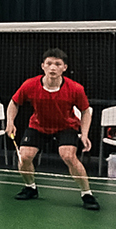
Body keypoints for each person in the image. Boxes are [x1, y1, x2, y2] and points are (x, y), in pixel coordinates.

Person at [6, 48, 98, 210]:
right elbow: (14, 102)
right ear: (43, 66)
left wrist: (84, 134)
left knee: (68, 156)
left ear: (64, 68)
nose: (53, 67)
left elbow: (85, 111)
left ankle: (87, 193)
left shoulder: (75, 88)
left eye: (58, 64)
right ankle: (30, 187)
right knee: (24, 156)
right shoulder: (30, 85)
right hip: (38, 125)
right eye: (49, 63)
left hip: (66, 126)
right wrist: (10, 122)